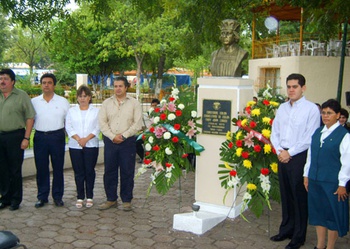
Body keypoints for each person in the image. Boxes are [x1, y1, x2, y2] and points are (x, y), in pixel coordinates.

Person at [270, 73, 320, 249]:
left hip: (299, 156)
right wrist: (279, 150)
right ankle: (286, 230)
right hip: (282, 154)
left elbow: (310, 137)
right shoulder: (282, 108)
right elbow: (274, 131)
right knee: (286, 195)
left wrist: (289, 152)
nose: (291, 90)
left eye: (295, 87)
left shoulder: (311, 109)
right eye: (289, 86)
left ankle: (298, 237)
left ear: (303, 88)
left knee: (299, 198)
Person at [304, 99, 350, 249]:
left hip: (332, 183)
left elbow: (347, 162)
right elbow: (310, 156)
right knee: (318, 215)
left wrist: (343, 184)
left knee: (331, 217)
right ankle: (320, 245)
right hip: (315, 180)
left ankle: (330, 247)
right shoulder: (318, 132)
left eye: (329, 113)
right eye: (323, 112)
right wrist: (306, 175)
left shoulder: (344, 135)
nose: (325, 116)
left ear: (337, 115)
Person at [98, 76, 142, 211]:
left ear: (126, 87)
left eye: (120, 86)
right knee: (109, 171)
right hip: (110, 141)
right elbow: (102, 123)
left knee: (127, 171)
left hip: (127, 142)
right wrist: (112, 136)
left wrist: (123, 136)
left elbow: (137, 124)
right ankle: (111, 199)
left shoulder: (134, 103)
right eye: (115, 86)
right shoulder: (106, 103)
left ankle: (127, 200)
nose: (117, 89)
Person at [31, 73, 70, 208]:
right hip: (40, 137)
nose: (46, 85)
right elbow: (30, 120)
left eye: (49, 83)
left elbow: (68, 121)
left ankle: (57, 196)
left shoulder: (63, 102)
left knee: (58, 167)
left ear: (54, 85)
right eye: (44, 83)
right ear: (41, 85)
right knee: (41, 168)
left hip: (57, 137)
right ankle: (42, 197)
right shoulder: (34, 102)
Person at [0, 69, 35, 211]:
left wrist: (26, 137)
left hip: (16, 136)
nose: (2, 81)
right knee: (2, 170)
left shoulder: (21, 96)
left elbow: (30, 117)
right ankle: (5, 198)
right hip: (0, 137)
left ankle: (15, 199)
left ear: (12, 81)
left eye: (5, 79)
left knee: (14, 170)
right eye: (0, 78)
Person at [65, 85, 100, 208]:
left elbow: (98, 127)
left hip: (91, 145)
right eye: (80, 96)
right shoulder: (71, 111)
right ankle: (80, 197)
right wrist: (79, 139)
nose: (83, 99)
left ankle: (89, 196)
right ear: (77, 98)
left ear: (90, 97)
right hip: (75, 146)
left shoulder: (96, 111)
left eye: (85, 96)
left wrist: (86, 139)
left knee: (89, 171)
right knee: (78, 172)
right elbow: (68, 127)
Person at [136, 98, 160, 163]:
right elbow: (143, 126)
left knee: (151, 141)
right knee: (136, 141)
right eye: (153, 106)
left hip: (157, 134)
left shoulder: (161, 114)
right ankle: (143, 158)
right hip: (147, 133)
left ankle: (151, 159)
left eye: (156, 106)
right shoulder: (146, 115)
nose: (154, 107)